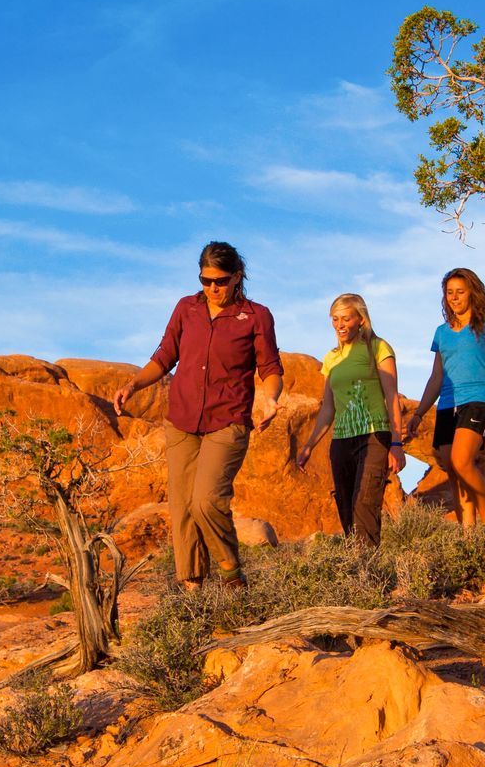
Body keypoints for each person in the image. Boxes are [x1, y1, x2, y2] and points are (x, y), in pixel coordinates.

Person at [113, 241, 282, 588]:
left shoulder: (255, 316)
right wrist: (133, 385)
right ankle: (193, 593)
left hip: (228, 419)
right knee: (183, 509)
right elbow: (163, 357)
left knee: (206, 501)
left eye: (219, 281)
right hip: (183, 419)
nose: (212, 288)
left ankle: (231, 573)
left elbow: (270, 367)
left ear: (237, 277)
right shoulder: (186, 308)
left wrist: (271, 398)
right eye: (205, 281)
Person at [402, 268, 485, 526]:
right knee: (453, 470)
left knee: (462, 461)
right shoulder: (441, 332)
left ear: (473, 293)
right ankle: (468, 535)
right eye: (449, 293)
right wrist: (418, 413)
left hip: (479, 398)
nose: (454, 298)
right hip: (448, 404)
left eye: (460, 292)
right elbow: (436, 377)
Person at [296, 294, 405, 544]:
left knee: (364, 504)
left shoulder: (378, 347)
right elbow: (328, 408)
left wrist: (397, 444)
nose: (340, 324)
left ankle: (368, 573)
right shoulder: (332, 358)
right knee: (346, 506)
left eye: (346, 318)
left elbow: (391, 396)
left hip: (374, 435)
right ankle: (358, 569)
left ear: (360, 319)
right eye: (335, 319)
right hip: (342, 440)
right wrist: (309, 446)